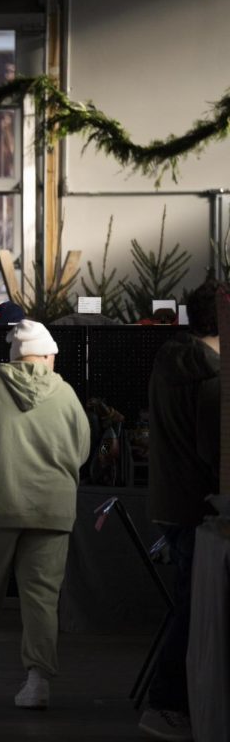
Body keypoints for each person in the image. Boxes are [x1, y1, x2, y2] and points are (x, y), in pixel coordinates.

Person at [0, 319, 89, 710]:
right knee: (42, 597)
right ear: (44, 355)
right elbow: (81, 451)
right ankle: (38, 682)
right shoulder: (67, 396)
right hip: (52, 508)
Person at [138, 280, 222, 741]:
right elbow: (215, 453)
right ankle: (167, 704)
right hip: (198, 508)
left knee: (188, 605)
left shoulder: (169, 363)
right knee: (192, 610)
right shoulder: (210, 377)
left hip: (168, 503)